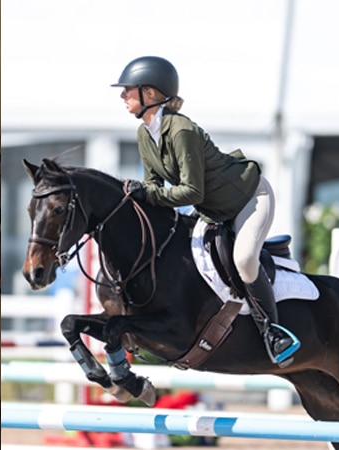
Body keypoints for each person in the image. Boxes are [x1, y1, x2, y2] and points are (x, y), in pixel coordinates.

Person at [112, 55, 300, 366]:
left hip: (249, 197)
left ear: (151, 93)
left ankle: (274, 332)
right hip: (213, 209)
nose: (122, 95)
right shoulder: (144, 134)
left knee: (244, 258)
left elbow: (190, 191)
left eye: (128, 89)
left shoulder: (181, 130)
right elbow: (153, 185)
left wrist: (148, 192)